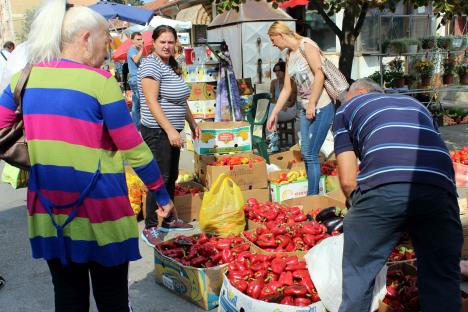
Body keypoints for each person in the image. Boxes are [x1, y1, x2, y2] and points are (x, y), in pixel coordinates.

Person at [0, 1, 174, 311]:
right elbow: (133, 148)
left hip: (49, 214)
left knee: (68, 298)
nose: (108, 49)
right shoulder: (100, 82)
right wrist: (161, 195)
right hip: (101, 215)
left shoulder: (21, 81)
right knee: (112, 301)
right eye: (106, 38)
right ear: (85, 38)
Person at [333, 78, 463, 312]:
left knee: (359, 275)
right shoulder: (416, 105)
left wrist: (365, 214)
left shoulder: (346, 108)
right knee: (442, 279)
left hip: (386, 186)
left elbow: (347, 180)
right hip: (440, 189)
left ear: (359, 92)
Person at [138, 25, 198, 247]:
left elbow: (181, 99)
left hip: (173, 131)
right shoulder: (150, 65)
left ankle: (169, 220)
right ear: (153, 43)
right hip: (157, 131)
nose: (167, 46)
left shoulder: (172, 65)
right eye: (162, 41)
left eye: (170, 42)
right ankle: (151, 227)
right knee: (159, 179)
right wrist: (170, 130)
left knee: (171, 176)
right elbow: (152, 102)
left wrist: (191, 122)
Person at [267, 21, 334, 195]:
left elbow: (320, 73)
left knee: (311, 153)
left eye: (273, 40)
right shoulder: (290, 55)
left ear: (281, 35)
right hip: (305, 108)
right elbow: (287, 89)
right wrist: (274, 113)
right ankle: (312, 194)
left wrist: (312, 103)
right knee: (306, 152)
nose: (273, 44)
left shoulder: (307, 45)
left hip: (321, 106)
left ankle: (312, 197)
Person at [268, 59, 297, 152]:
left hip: (289, 110)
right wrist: (280, 104)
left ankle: (272, 139)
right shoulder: (273, 83)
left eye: (279, 70)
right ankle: (273, 137)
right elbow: (271, 99)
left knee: (273, 109)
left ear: (285, 71)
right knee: (273, 109)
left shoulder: (292, 82)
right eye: (275, 71)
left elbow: (292, 102)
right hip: (279, 109)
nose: (277, 73)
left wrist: (283, 104)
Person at [127, 32, 144, 130]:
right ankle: (138, 127)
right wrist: (141, 49)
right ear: (132, 40)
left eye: (141, 39)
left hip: (137, 79)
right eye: (138, 39)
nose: (140, 41)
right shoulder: (132, 50)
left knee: (136, 104)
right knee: (140, 104)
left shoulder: (136, 50)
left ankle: (137, 127)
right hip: (136, 80)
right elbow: (136, 60)